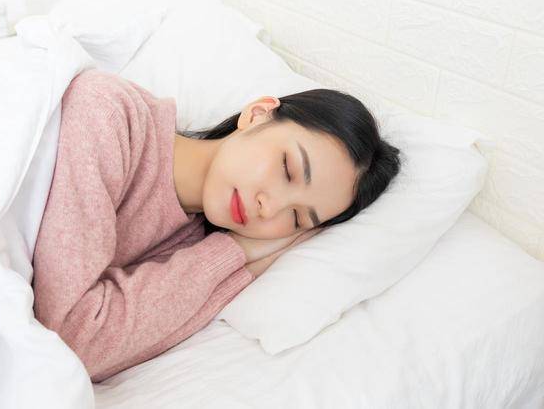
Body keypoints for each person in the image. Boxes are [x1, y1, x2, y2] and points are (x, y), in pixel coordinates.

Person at [31, 69, 400, 383]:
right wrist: (236, 252)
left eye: (296, 218)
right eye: (287, 169)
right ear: (257, 114)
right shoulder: (111, 113)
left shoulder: (192, 251)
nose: (269, 207)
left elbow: (83, 353)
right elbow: (66, 336)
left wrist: (239, 252)